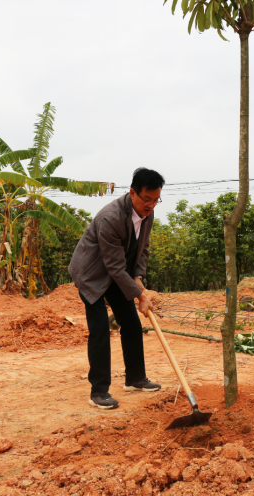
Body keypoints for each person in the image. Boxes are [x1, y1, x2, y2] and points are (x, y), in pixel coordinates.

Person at [69, 168, 164, 409]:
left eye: (156, 200)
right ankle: (98, 392)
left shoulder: (146, 215)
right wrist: (140, 295)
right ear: (132, 193)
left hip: (116, 274)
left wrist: (139, 276)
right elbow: (113, 265)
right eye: (147, 199)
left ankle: (135, 379)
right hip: (91, 275)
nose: (151, 205)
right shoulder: (110, 217)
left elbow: (143, 249)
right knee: (100, 329)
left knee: (131, 323)